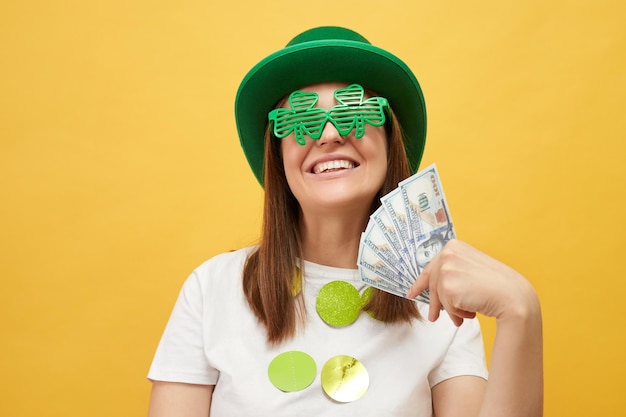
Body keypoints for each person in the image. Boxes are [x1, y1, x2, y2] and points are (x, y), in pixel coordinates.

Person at [147, 26, 543, 417]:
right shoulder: (211, 289)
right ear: (278, 155)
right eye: (301, 119)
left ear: (390, 141)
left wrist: (520, 311)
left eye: (354, 112)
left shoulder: (441, 305)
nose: (331, 134)